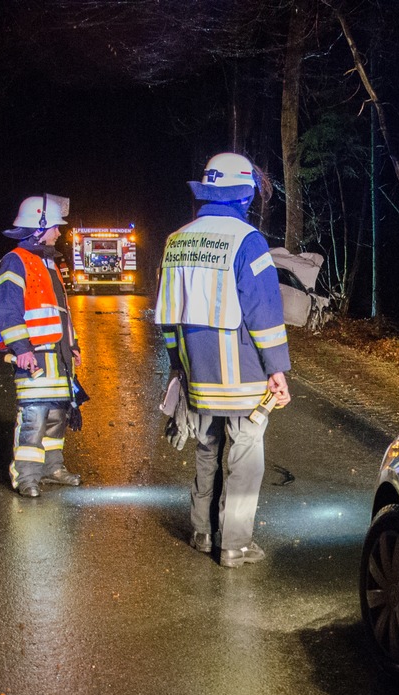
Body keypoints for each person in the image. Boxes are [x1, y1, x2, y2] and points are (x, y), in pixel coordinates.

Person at [155, 152, 291, 568]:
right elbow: (264, 312)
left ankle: (201, 532)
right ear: (245, 193)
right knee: (245, 457)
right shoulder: (248, 241)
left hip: (198, 374)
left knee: (206, 447)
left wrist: (179, 364)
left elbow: (166, 316)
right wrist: (277, 370)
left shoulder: (176, 240)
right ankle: (234, 544)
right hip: (244, 376)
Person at [0, 194, 83, 498]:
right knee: (34, 417)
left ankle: (52, 467)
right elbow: (6, 309)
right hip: (34, 356)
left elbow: (60, 311)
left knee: (57, 415)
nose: (59, 232)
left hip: (58, 356)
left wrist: (73, 345)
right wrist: (21, 349)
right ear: (38, 227)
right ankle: (27, 475)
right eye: (56, 227)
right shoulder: (14, 261)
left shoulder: (48, 262)